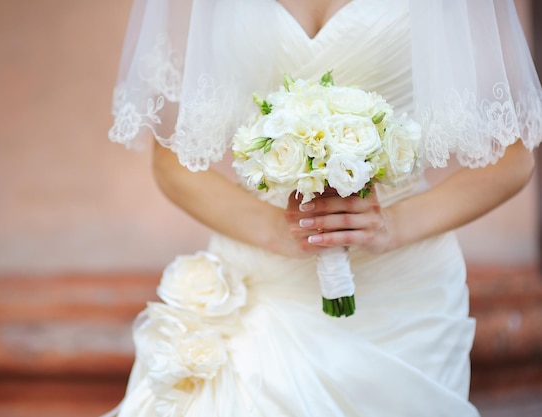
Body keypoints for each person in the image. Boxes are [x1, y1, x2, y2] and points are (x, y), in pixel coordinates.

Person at [104, 0, 541, 416]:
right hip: (259, 280)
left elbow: (513, 159)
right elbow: (170, 159)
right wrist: (274, 229)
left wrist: (393, 225)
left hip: (403, 294)